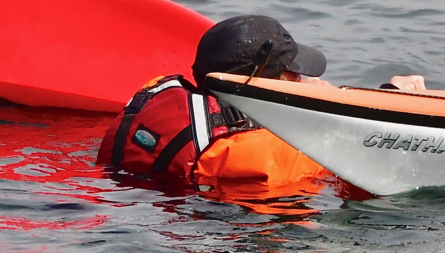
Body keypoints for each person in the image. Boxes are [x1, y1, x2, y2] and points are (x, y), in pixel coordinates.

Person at [98, 14, 333, 194]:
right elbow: (342, 158)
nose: (302, 79)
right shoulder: (249, 151)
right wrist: (322, 106)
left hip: (119, 196)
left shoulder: (156, 97)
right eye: (293, 73)